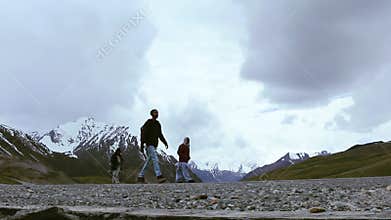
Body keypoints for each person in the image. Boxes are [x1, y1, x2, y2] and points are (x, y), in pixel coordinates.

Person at [137, 109, 169, 183]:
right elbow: (143, 132)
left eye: (157, 112)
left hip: (154, 145)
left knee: (149, 161)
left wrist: (165, 142)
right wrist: (142, 145)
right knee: (155, 158)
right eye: (155, 112)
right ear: (151, 114)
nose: (157, 113)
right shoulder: (148, 122)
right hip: (149, 144)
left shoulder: (158, 124)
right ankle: (159, 176)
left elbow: (160, 134)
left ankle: (140, 176)